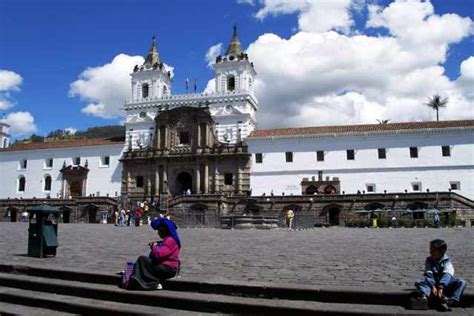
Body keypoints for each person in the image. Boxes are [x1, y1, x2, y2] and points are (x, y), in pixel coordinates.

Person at [126, 218, 181, 290]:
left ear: (164, 231)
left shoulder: (170, 240)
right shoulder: (169, 240)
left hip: (168, 269)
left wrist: (154, 246)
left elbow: (159, 255)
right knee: (144, 262)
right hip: (167, 267)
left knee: (142, 259)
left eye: (159, 231)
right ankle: (138, 280)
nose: (158, 233)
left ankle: (151, 282)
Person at [414, 239, 467, 311]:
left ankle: (451, 301)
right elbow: (428, 273)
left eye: (433, 250)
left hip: (445, 285)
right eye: (430, 249)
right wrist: (432, 286)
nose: (430, 252)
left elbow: (447, 274)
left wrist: (441, 286)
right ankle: (434, 297)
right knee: (419, 281)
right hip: (433, 286)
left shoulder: (447, 261)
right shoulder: (429, 260)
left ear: (441, 251)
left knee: (462, 282)